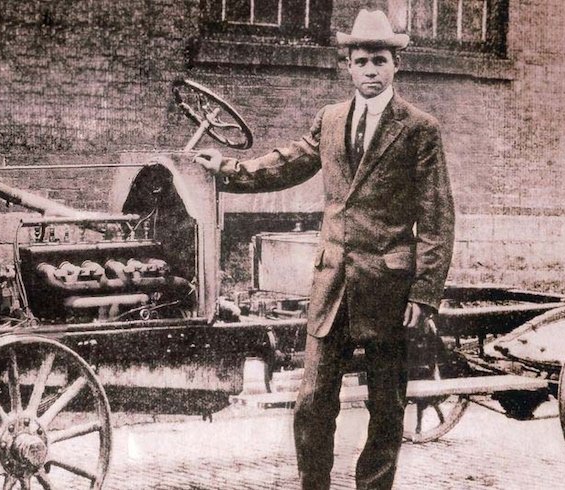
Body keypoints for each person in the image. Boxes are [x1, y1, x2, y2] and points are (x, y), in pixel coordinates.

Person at [194, 9, 455, 489]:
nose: (370, 70)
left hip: (387, 288)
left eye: (379, 60)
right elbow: (289, 162)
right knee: (312, 402)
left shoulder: (420, 129)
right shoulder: (331, 120)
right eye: (361, 61)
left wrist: (423, 294)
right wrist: (229, 169)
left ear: (396, 64)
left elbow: (437, 219)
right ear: (348, 66)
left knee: (386, 406)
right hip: (332, 283)